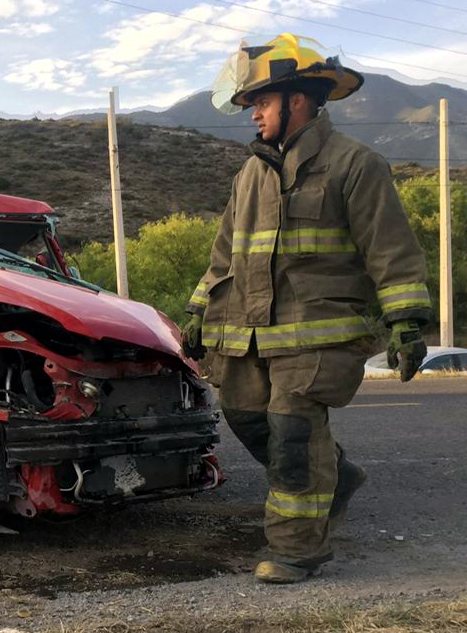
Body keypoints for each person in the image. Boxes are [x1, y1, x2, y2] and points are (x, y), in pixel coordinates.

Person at [181, 34, 432, 584]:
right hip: (247, 332)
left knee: (293, 432)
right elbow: (224, 252)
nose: (253, 117)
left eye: (261, 104)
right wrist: (199, 309)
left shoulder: (355, 164)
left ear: (298, 100)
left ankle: (296, 548)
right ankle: (335, 479)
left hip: (318, 333)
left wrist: (408, 320)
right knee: (247, 420)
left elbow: (390, 248)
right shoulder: (250, 174)